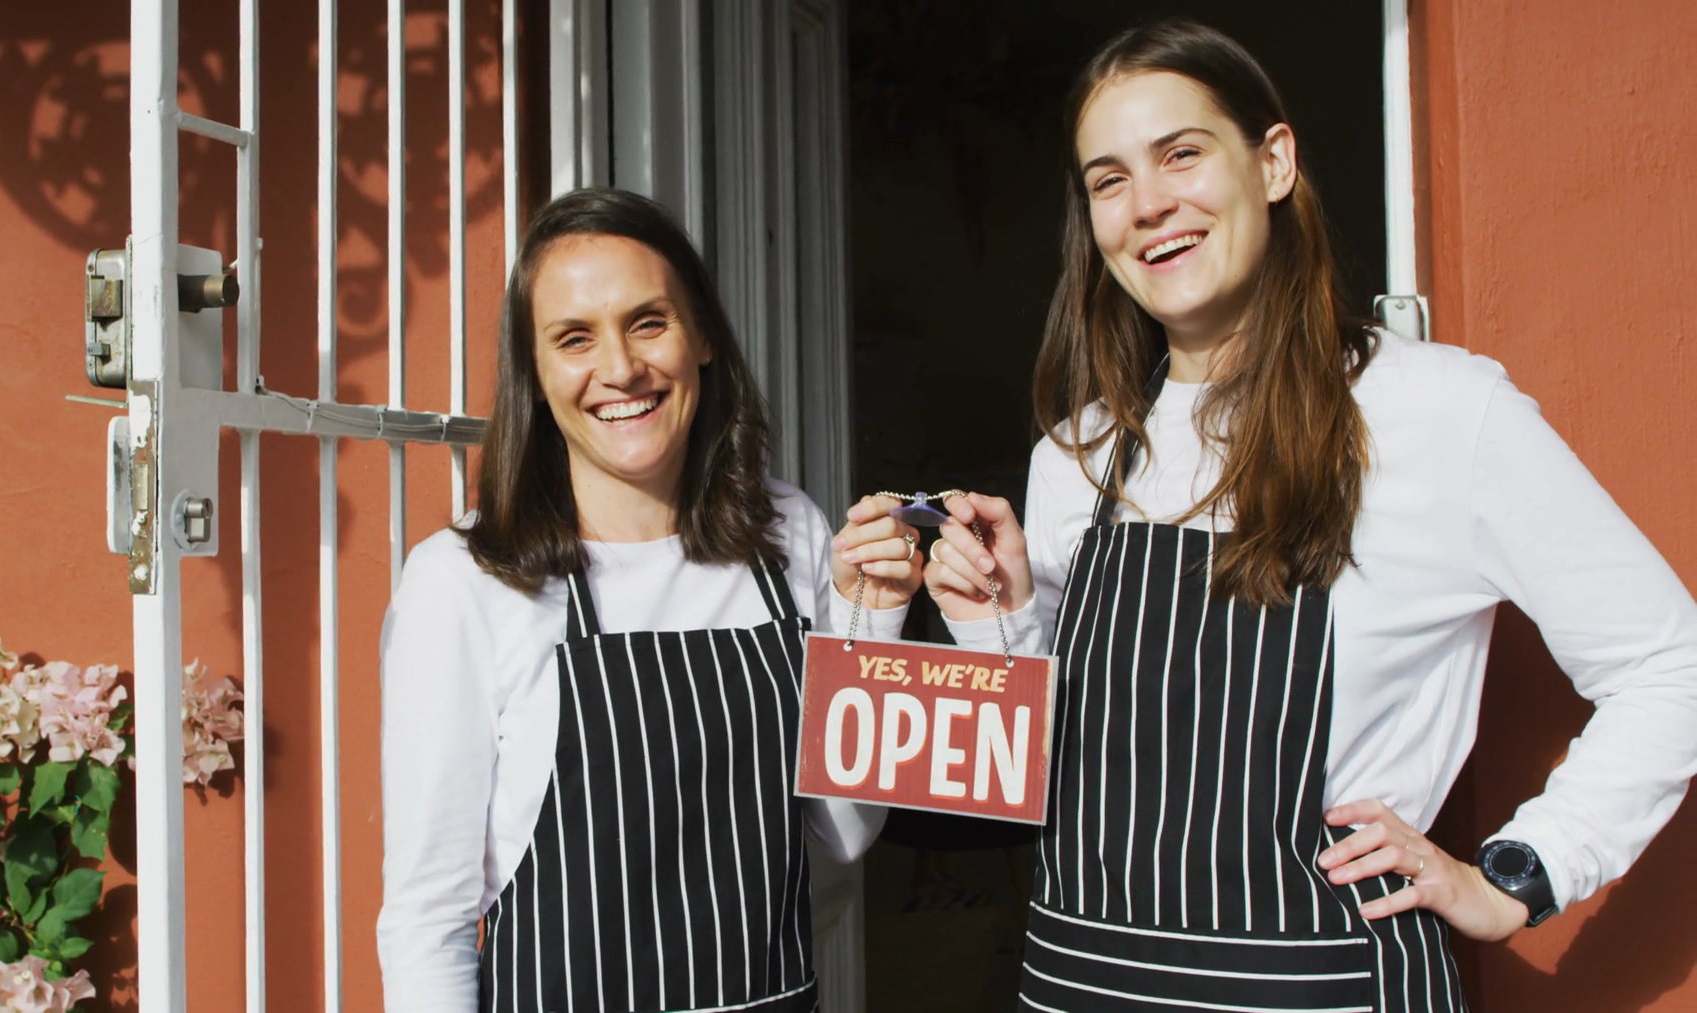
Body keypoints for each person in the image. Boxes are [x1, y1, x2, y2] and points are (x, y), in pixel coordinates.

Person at [918, 19, 1697, 1012]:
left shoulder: (1440, 413)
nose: (1148, 203)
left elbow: (1670, 664)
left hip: (1318, 985)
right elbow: (1059, 768)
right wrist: (999, 623)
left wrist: (1520, 874)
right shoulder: (1077, 453)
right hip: (1083, 980)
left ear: (1274, 162)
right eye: (1109, 180)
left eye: (1181, 154)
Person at [377, 187, 917, 1013]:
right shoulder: (463, 579)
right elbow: (428, 919)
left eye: (648, 322)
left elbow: (843, 831)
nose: (621, 368)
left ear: (702, 334)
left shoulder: (787, 530)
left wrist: (871, 621)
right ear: (535, 373)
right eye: (574, 338)